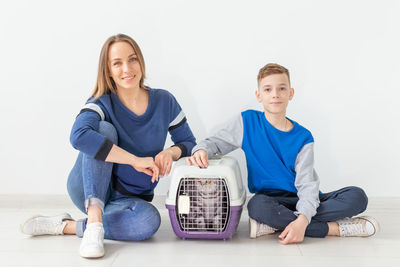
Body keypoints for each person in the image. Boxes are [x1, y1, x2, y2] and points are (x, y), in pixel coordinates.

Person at [20, 34, 196, 258]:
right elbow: (78, 136)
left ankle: (68, 226)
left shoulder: (164, 101)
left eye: (132, 59)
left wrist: (170, 152)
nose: (127, 68)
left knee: (149, 221)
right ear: (108, 71)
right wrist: (134, 160)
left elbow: (189, 143)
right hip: (87, 187)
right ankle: (94, 221)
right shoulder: (101, 101)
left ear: (141, 62)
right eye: (117, 63)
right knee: (103, 130)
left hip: (131, 199)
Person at [187, 63, 379, 244]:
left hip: (301, 197)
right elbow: (214, 143)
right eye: (268, 89)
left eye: (282, 88)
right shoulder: (247, 122)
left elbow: (307, 183)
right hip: (269, 200)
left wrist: (303, 218)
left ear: (290, 93)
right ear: (259, 95)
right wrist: (201, 150)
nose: (275, 95)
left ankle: (276, 225)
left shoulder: (303, 137)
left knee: (357, 196)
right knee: (256, 207)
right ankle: (334, 229)